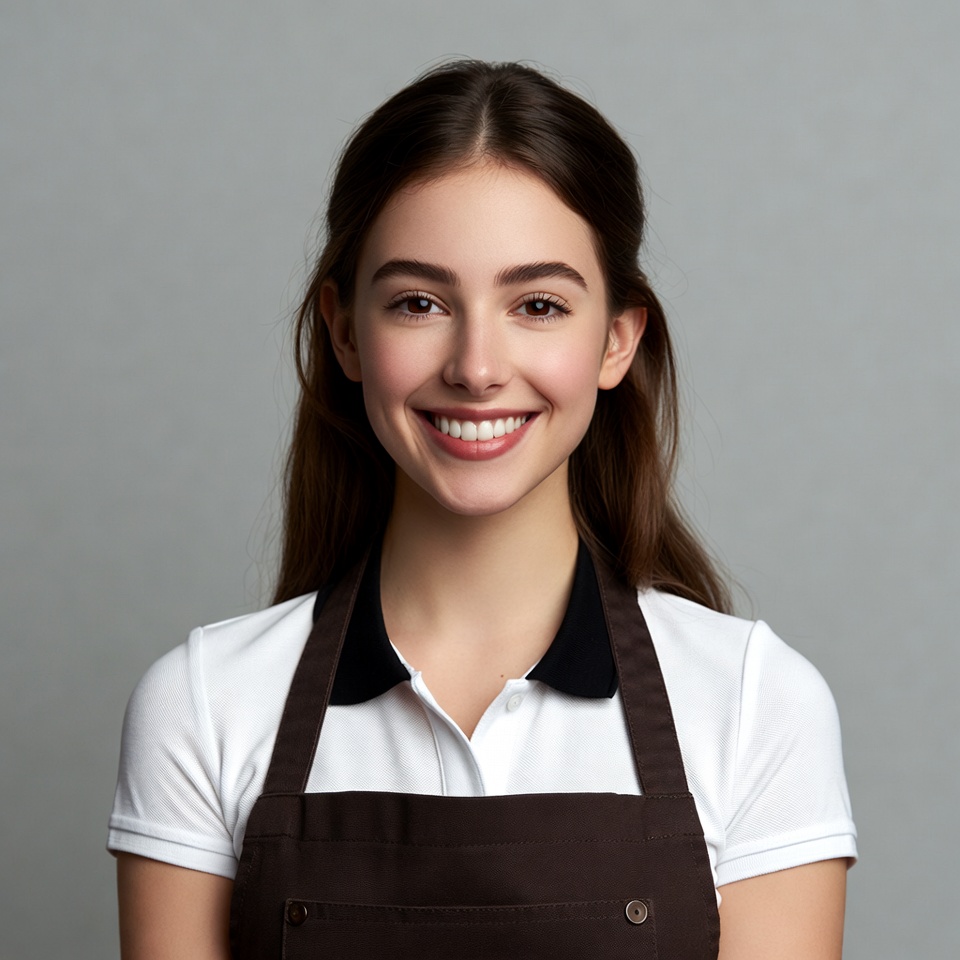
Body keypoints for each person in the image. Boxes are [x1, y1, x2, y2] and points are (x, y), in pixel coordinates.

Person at [108, 60, 857, 958]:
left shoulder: (753, 704)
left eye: (537, 305)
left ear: (617, 339)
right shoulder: (204, 704)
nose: (476, 365)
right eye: (419, 302)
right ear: (346, 332)